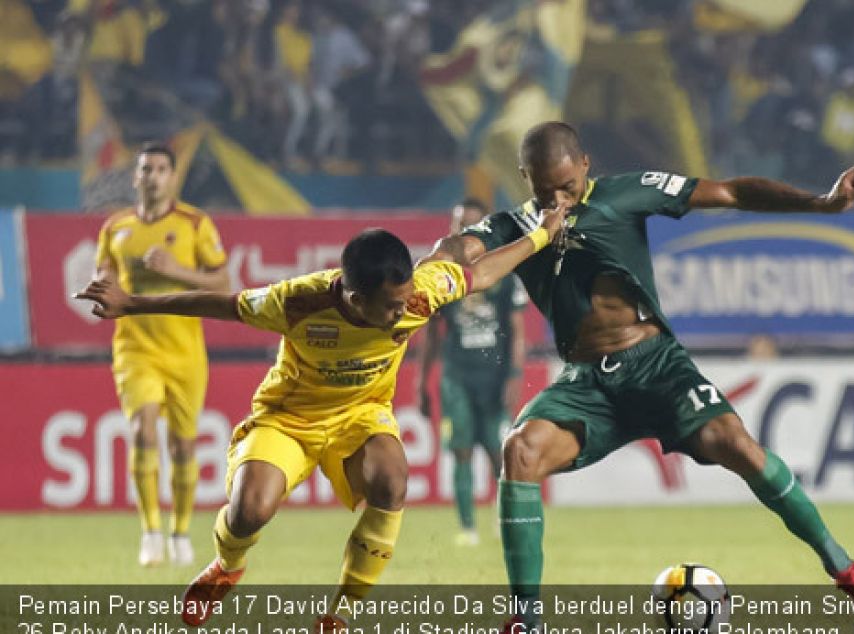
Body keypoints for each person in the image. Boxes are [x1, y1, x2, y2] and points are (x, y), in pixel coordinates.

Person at [424, 121, 854, 626]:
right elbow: (457, 252)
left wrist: (821, 203)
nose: (558, 200)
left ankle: (845, 570)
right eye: (544, 191)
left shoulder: (629, 192)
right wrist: (430, 267)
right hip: (586, 382)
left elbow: (731, 191)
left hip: (656, 366)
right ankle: (526, 620)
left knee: (740, 447)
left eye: (568, 187)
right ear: (524, 178)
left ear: (585, 165)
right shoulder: (515, 227)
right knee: (520, 450)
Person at [77, 212, 565, 633]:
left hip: (360, 416)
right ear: (353, 297)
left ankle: (340, 616)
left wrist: (541, 235)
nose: (402, 312)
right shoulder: (297, 301)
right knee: (249, 510)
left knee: (393, 481)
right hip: (288, 418)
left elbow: (478, 274)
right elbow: (222, 305)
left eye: (404, 300)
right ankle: (227, 566)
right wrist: (131, 303)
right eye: (390, 305)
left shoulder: (417, 295)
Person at [93, 143, 230, 567]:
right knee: (142, 432)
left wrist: (175, 271)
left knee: (184, 447)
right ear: (135, 178)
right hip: (135, 348)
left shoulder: (194, 223)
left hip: (185, 350)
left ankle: (180, 532)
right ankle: (151, 531)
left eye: (160, 169)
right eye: (145, 169)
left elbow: (223, 282)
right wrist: (100, 291)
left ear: (172, 178)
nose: (152, 176)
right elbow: (105, 277)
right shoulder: (115, 227)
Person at [418, 198, 528, 546]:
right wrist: (423, 382)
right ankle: (467, 529)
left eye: (472, 226)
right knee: (461, 449)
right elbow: (432, 335)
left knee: (499, 451)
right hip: (457, 376)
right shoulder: (438, 278)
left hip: (493, 377)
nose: (463, 234)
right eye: (459, 225)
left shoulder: (505, 276)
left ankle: (502, 520)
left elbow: (518, 331)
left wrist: (513, 375)